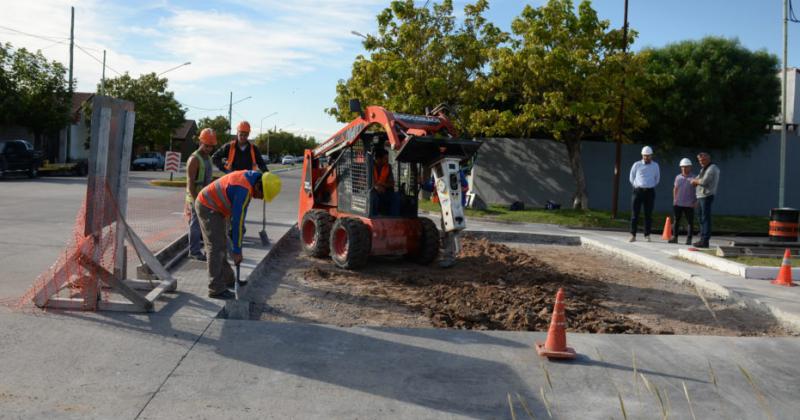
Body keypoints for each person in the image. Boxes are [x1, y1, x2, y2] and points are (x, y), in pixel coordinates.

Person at [195, 170, 277, 299]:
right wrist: (237, 251)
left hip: (219, 209)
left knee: (222, 243)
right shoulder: (243, 189)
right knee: (215, 247)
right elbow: (237, 221)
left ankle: (229, 280)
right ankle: (215, 289)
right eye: (262, 195)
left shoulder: (251, 182)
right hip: (208, 206)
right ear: (258, 185)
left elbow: (238, 221)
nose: (260, 198)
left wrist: (236, 242)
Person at [421, 166, 469, 268]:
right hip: (445, 206)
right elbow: (431, 186)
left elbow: (466, 187)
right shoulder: (437, 174)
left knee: (450, 231)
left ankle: (450, 258)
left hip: (456, 205)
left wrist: (452, 188)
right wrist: (421, 183)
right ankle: (451, 254)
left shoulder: (456, 171)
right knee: (447, 230)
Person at [185, 128, 217, 261]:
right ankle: (194, 251)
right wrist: (195, 200)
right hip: (196, 197)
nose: (209, 148)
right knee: (195, 224)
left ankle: (202, 248)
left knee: (204, 224)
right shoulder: (194, 159)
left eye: (211, 146)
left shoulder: (208, 158)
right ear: (200, 142)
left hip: (206, 197)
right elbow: (190, 182)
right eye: (207, 145)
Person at [628, 146, 660, 242]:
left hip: (649, 192)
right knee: (635, 214)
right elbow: (631, 177)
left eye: (648, 156)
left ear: (651, 156)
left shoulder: (655, 165)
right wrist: (636, 185)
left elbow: (657, 178)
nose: (646, 157)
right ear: (642, 155)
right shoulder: (636, 165)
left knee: (648, 214)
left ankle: (647, 235)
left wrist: (650, 185)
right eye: (645, 156)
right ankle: (633, 235)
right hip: (638, 191)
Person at [690, 152, 720, 248]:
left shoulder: (712, 168)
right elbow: (697, 179)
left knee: (705, 218)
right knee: (700, 217)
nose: (701, 162)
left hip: (706, 196)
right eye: (699, 160)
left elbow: (704, 181)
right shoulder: (703, 169)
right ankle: (702, 239)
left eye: (703, 160)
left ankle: (705, 240)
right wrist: (695, 181)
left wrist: (695, 181)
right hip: (700, 196)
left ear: (708, 158)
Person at [670, 158, 696, 245]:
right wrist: (674, 199)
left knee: (690, 222)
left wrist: (696, 202)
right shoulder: (678, 177)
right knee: (676, 221)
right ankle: (675, 237)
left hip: (689, 204)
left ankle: (689, 239)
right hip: (678, 203)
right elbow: (675, 189)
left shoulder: (694, 178)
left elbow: (698, 190)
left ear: (690, 167)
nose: (684, 168)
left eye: (686, 167)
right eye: (682, 167)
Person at [372, 148, 396, 215]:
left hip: (384, 189)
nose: (387, 160)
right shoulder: (370, 166)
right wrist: (376, 187)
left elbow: (391, 183)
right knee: (374, 198)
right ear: (379, 159)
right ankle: (375, 216)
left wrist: (383, 185)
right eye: (385, 158)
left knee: (395, 197)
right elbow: (367, 181)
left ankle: (393, 217)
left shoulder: (388, 167)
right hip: (371, 190)